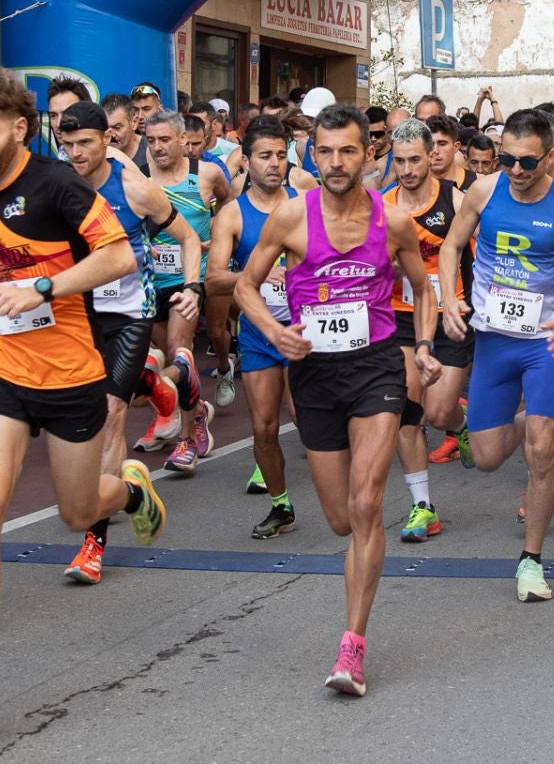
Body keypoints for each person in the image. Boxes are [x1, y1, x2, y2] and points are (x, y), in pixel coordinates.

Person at [0, 69, 165, 717]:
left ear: (20, 128)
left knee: (79, 513)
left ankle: (129, 491)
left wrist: (45, 288)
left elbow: (119, 258)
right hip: (4, 369)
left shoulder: (58, 184)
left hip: (71, 374)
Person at [234, 104, 439, 697]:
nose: (335, 162)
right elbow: (245, 285)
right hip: (315, 377)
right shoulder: (290, 219)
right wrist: (275, 332)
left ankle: (353, 645)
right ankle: (356, 596)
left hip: (376, 368)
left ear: (366, 154)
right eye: (324, 151)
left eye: (348, 150)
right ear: (312, 155)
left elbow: (422, 289)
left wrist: (425, 344)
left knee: (367, 503)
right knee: (341, 519)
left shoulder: (392, 222)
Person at [437, 108, 554, 603]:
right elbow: (451, 246)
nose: (515, 170)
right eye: (506, 158)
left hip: (545, 343)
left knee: (540, 451)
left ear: (550, 155)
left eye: (527, 162)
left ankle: (531, 560)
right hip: (494, 339)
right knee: (487, 457)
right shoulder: (485, 191)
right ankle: (538, 422)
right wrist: (449, 298)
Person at [52, 100, 202, 586]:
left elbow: (189, 238)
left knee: (111, 414)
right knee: (78, 417)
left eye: (85, 143)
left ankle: (92, 547)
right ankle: (158, 386)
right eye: (68, 145)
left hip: (129, 316)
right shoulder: (58, 188)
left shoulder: (135, 188)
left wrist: (192, 289)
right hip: (78, 317)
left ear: (107, 140)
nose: (76, 153)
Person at [206, 116, 305, 537]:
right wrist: (257, 275)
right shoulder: (232, 214)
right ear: (246, 161)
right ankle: (281, 506)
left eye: (281, 155)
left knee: (306, 418)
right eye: (265, 156)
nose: (275, 164)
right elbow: (213, 280)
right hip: (258, 333)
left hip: (305, 329)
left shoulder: (305, 202)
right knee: (263, 428)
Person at [380, 118, 465, 542]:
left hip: (449, 312)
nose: (407, 169)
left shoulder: (456, 200)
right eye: (399, 161)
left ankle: (460, 425)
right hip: (400, 316)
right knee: (406, 411)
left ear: (432, 156)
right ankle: (423, 506)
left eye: (415, 160)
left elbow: (483, 252)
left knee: (439, 413)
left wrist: (467, 299)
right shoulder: (382, 206)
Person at [140, 107, 231, 464]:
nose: (158, 147)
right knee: (165, 359)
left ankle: (185, 441)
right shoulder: (140, 178)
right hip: (152, 282)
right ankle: (198, 411)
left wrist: (216, 238)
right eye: (151, 141)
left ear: (182, 139)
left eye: (164, 139)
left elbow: (228, 202)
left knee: (180, 349)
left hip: (190, 278)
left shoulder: (206, 174)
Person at [102, 93, 150, 171]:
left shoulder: (151, 151)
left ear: (134, 122)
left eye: (117, 128)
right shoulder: (97, 155)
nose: (111, 135)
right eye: (106, 128)